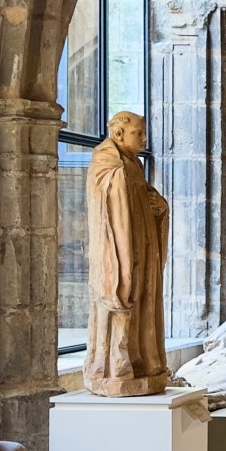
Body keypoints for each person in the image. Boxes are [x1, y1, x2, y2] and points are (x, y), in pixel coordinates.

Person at [85, 111, 170, 396]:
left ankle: (143, 361)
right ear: (118, 134)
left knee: (145, 300)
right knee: (122, 296)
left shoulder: (133, 164)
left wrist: (156, 203)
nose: (144, 138)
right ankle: (115, 368)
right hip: (119, 249)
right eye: (138, 133)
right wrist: (121, 183)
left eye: (143, 132)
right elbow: (106, 199)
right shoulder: (106, 160)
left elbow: (142, 199)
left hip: (142, 247)